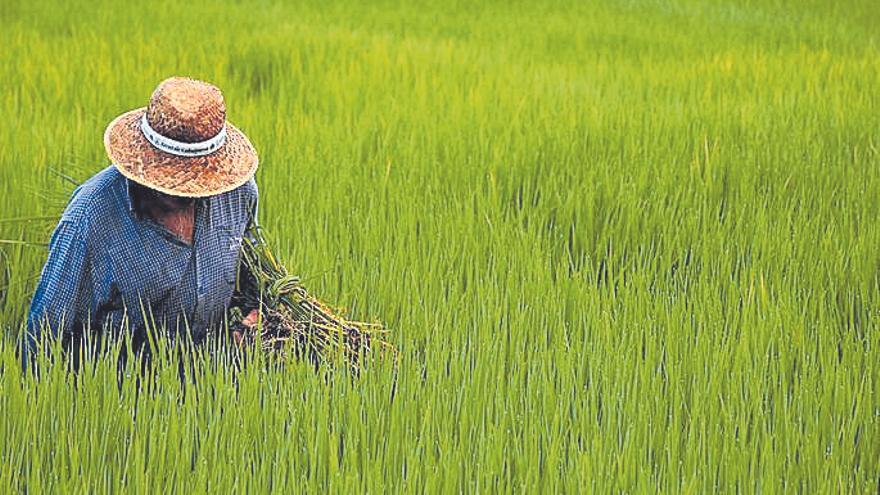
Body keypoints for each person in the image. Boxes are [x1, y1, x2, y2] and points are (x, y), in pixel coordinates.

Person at [24, 77, 260, 369]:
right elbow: (43, 336)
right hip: (114, 396)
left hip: (210, 391)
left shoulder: (238, 194)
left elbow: (254, 282)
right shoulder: (91, 215)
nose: (184, 191)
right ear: (146, 160)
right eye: (173, 176)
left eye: (196, 181)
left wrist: (255, 319)